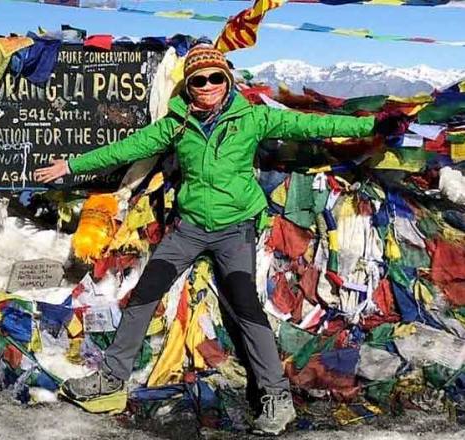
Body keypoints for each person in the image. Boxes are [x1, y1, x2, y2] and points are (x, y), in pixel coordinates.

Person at [34, 42, 407, 436]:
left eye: (215, 77)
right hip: (189, 228)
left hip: (235, 230)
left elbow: (312, 125)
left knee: (245, 307)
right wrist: (71, 165)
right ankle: (110, 381)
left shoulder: (252, 119)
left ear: (226, 80)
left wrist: (372, 126)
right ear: (189, 85)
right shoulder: (176, 125)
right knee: (145, 292)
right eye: (199, 79)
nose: (208, 85)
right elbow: (128, 148)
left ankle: (276, 396)